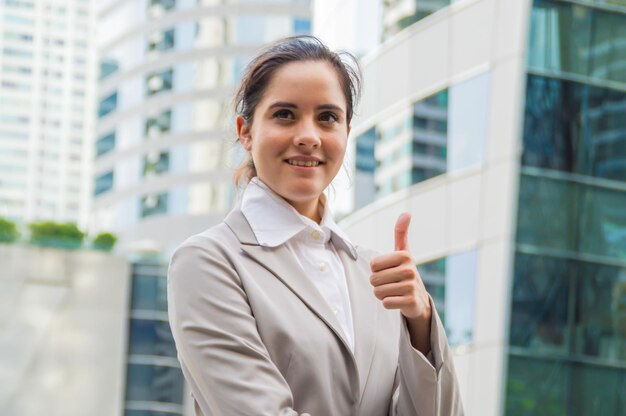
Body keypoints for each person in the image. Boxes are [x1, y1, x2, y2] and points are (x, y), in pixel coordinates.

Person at [167, 35, 463, 416]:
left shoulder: (378, 278)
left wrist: (421, 323)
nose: (308, 137)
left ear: (346, 134)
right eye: (285, 114)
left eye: (327, 117)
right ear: (246, 131)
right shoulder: (209, 262)